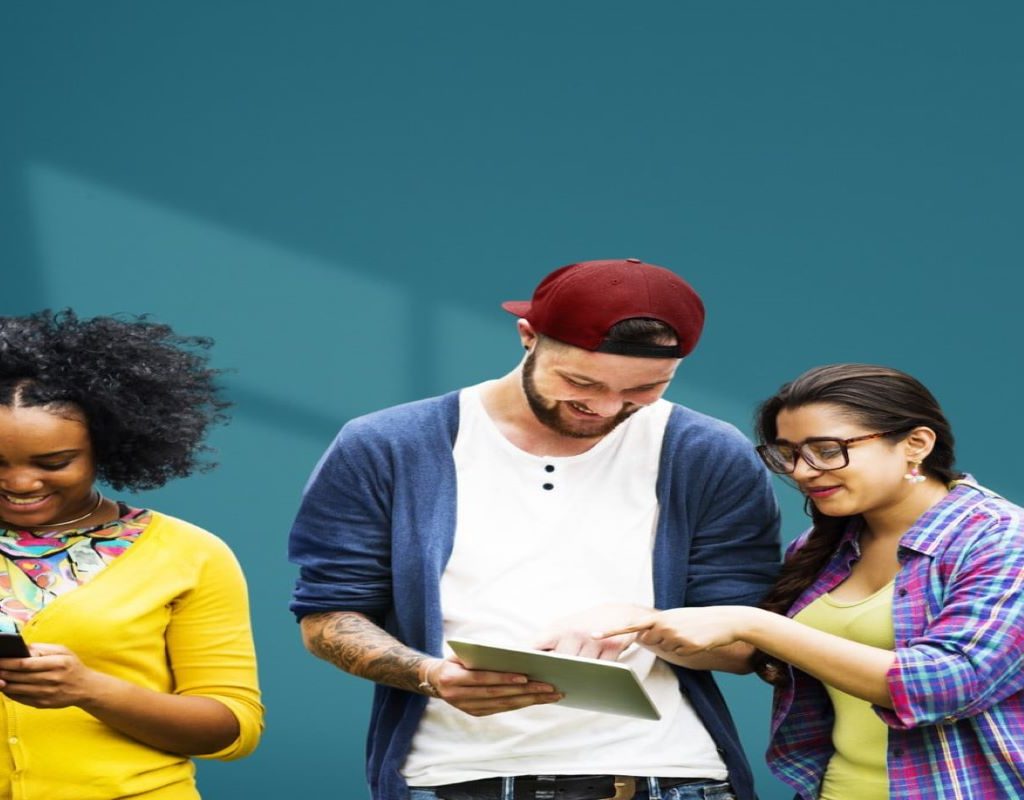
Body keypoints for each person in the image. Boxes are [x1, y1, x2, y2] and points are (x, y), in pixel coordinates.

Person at [288, 258, 781, 800]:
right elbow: (328, 615)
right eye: (579, 382)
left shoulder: (707, 452)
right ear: (527, 336)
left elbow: (744, 644)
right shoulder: (387, 445)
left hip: (667, 773)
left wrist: (647, 623)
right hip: (453, 776)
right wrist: (430, 675)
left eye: (645, 389)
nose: (605, 407)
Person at [611, 364, 1024, 800]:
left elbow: (947, 684)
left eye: (826, 450)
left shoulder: (1000, 539)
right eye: (788, 454)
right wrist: (645, 628)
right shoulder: (822, 546)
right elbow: (771, 659)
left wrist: (755, 624)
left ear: (915, 444)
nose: (803, 472)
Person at [0, 310, 264, 800]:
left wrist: (90, 690)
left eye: (54, 463)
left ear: (106, 446)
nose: (20, 483)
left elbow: (232, 728)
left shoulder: (189, 553)